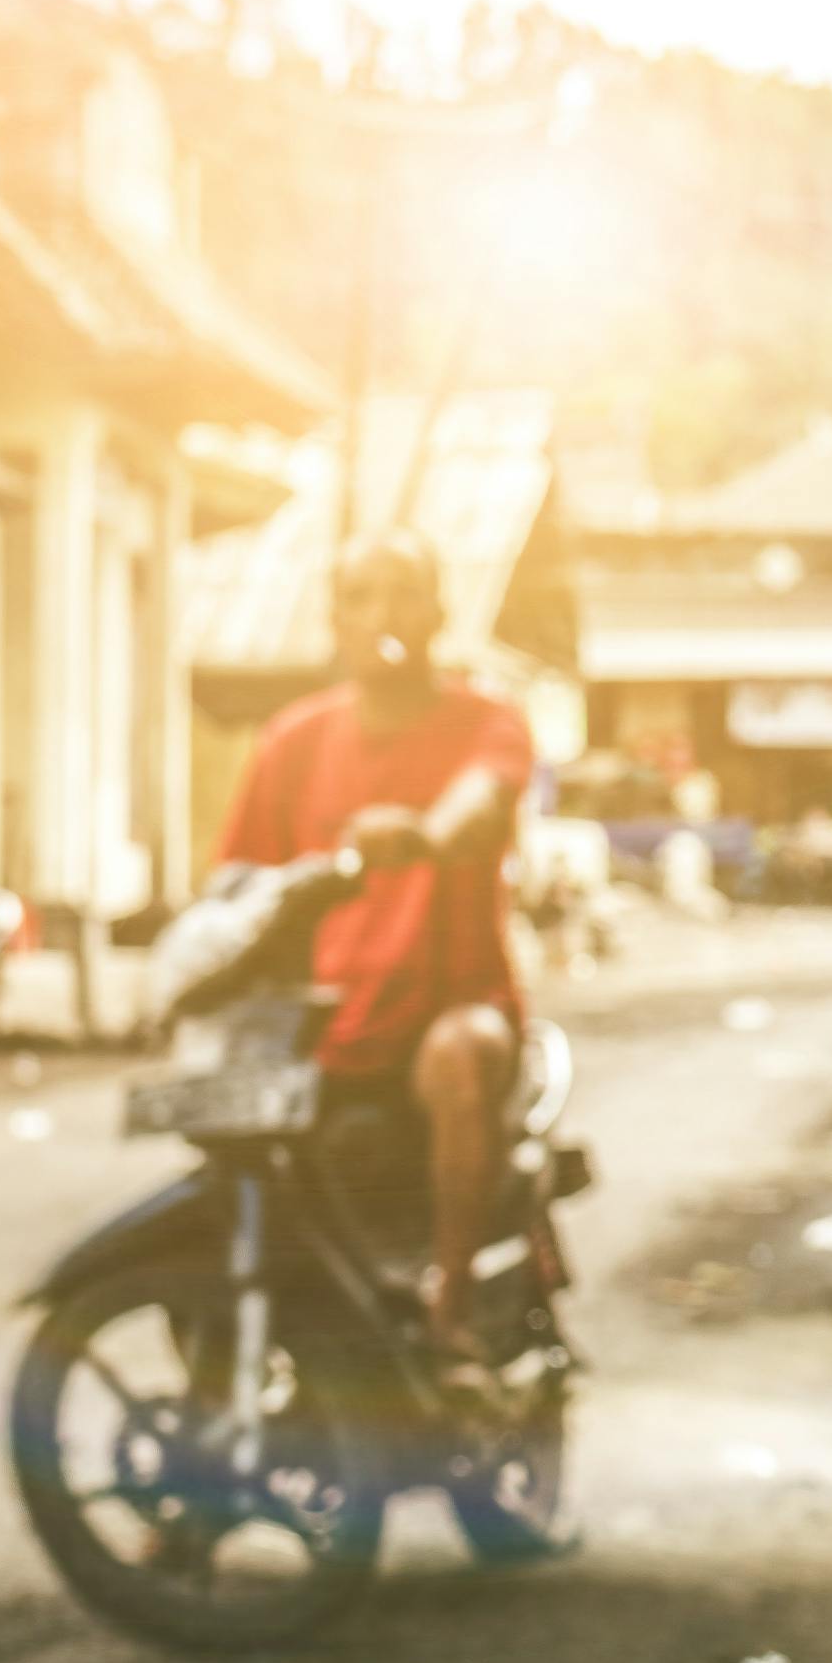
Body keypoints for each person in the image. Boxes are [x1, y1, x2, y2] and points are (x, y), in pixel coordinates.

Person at [215, 532, 534, 1363]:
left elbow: (482, 799)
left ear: (437, 613)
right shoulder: (291, 742)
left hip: (448, 1011)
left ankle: (450, 1311)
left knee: (462, 1057)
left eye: (403, 594)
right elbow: (237, 886)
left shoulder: (486, 722)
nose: (382, 615)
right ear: (334, 619)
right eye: (361, 596)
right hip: (322, 1024)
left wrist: (427, 835)